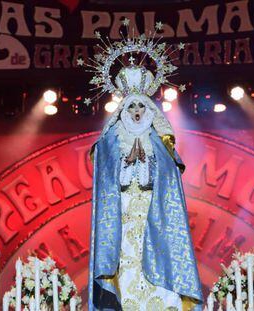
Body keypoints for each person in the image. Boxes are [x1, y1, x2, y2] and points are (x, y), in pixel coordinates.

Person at [85, 24, 203, 311]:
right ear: (122, 111)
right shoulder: (110, 144)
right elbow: (110, 188)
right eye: (131, 108)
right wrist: (125, 165)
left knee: (158, 288)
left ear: (151, 111)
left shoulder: (162, 147)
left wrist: (148, 163)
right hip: (122, 226)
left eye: (142, 107)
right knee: (126, 280)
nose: (137, 112)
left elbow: (166, 189)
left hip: (156, 223)